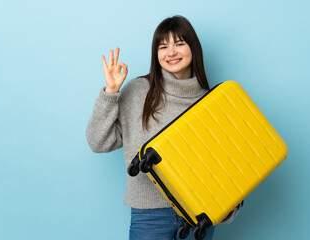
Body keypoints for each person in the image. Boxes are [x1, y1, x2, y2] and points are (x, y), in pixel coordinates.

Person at [86, 15, 242, 240]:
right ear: (156, 54)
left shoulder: (213, 102)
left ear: (193, 48)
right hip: (149, 215)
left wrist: (228, 209)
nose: (171, 52)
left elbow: (229, 162)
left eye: (179, 44)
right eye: (163, 46)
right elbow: (97, 142)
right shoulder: (138, 92)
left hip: (198, 215)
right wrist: (110, 93)